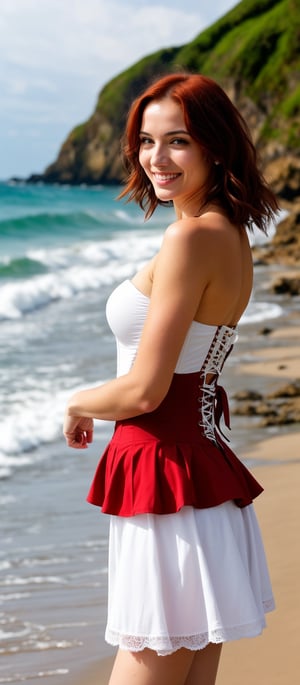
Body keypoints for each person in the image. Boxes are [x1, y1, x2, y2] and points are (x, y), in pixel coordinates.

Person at [64, 72, 278, 685]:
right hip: (196, 484)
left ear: (214, 145)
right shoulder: (229, 234)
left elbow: (146, 390)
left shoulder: (189, 237)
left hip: (167, 487)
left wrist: (78, 401)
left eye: (178, 141)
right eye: (146, 141)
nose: (156, 158)